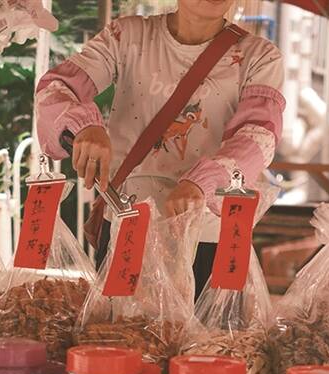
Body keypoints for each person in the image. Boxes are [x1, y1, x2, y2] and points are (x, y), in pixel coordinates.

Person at [36, 0, 285, 296]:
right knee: (119, 324)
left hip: (207, 235)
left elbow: (258, 136)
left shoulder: (260, 57)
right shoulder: (126, 36)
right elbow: (56, 87)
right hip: (127, 227)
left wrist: (202, 182)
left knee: (202, 327)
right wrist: (84, 127)